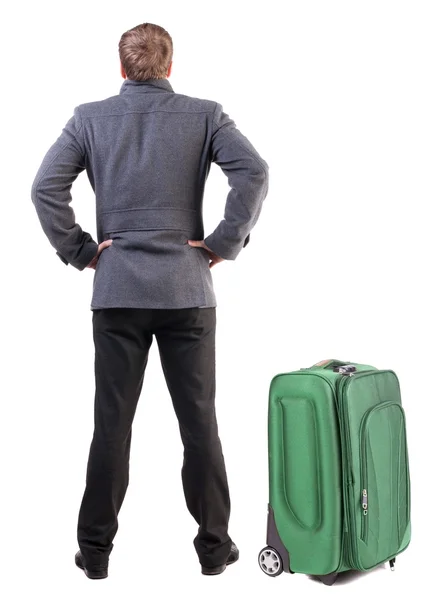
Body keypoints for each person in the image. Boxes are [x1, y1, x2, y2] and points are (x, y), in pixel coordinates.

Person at [31, 22, 269, 580]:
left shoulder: (89, 118)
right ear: (169, 66)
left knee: (111, 424)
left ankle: (94, 554)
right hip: (187, 291)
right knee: (200, 424)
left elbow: (45, 188)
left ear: (122, 68)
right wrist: (223, 243)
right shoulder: (205, 113)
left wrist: (84, 251)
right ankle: (214, 549)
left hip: (117, 293)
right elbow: (253, 172)